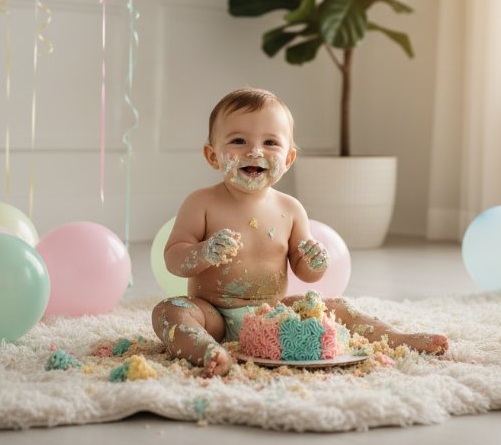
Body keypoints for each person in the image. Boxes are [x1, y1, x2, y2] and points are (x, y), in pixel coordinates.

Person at [152, 88, 448, 376]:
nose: (255, 151)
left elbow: (305, 273)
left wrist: (314, 261)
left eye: (270, 142)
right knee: (170, 310)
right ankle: (208, 351)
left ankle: (397, 337)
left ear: (289, 159)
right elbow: (174, 259)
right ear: (213, 155)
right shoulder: (201, 202)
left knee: (336, 306)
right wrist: (203, 252)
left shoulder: (290, 209)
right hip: (212, 314)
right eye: (239, 141)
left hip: (273, 314)